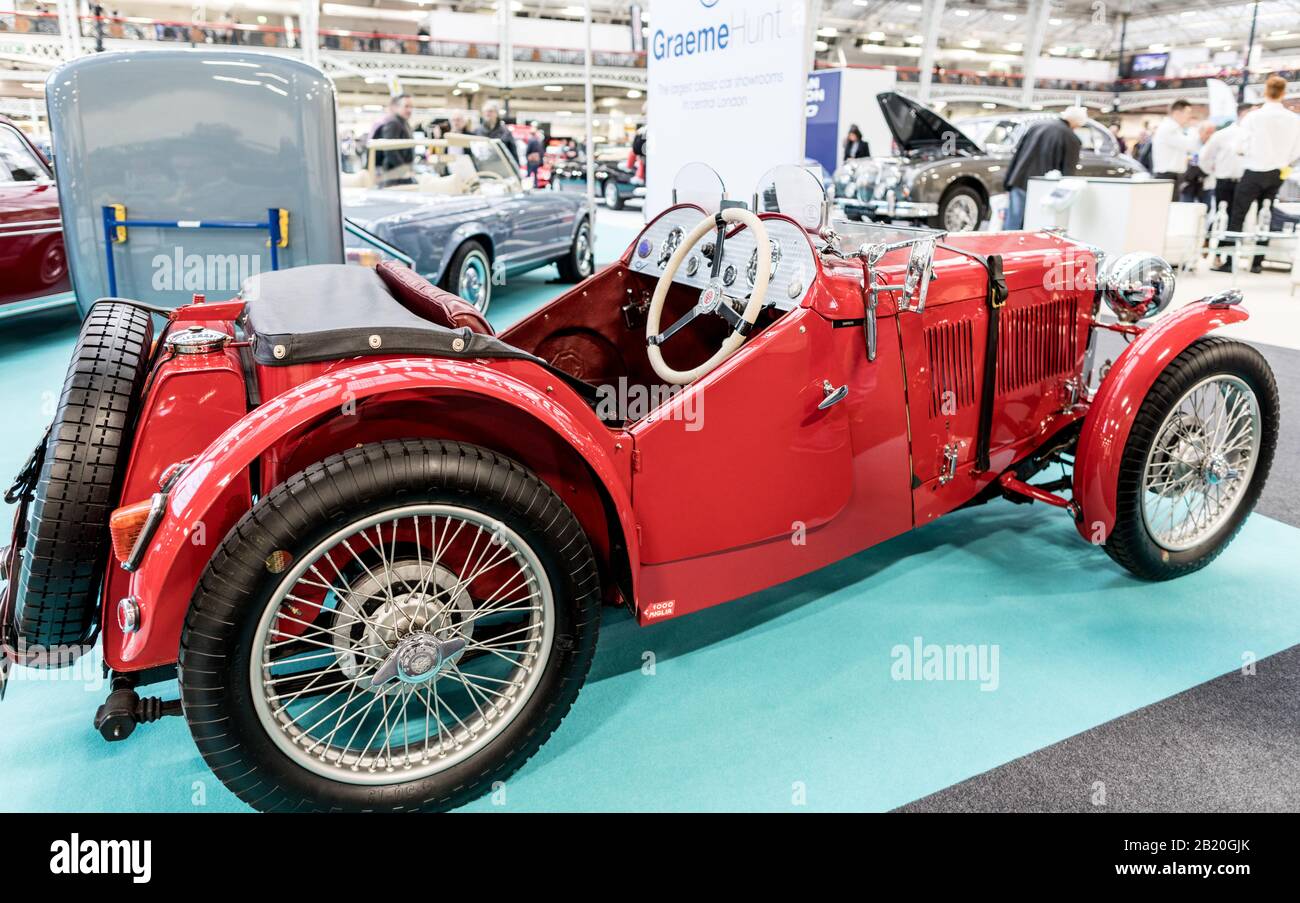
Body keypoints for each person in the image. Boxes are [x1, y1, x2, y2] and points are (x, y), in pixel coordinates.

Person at [1214, 76, 1300, 273]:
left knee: (1238, 215)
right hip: (1277, 173)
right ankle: (1257, 263)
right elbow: (1296, 150)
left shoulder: (1254, 117)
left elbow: (1239, 146)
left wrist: (1246, 153)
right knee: (1267, 216)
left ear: (1265, 91)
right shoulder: (1294, 120)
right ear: (1284, 92)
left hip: (1253, 171)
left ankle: (1229, 261)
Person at [1002, 106, 1086, 230]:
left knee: (1012, 223)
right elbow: (1068, 172)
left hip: (1019, 180)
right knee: (1035, 225)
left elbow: (1017, 155)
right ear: (1076, 123)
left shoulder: (1037, 126)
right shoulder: (1071, 138)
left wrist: (1007, 182)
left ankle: (1005, 248)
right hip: (1043, 188)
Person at [1200, 102, 1252, 249]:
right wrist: (1212, 171)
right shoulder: (1222, 135)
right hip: (1224, 181)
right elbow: (1204, 156)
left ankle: (1224, 253)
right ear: (1242, 114)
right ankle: (1207, 242)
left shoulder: (1253, 136)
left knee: (1236, 218)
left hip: (1243, 182)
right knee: (1220, 215)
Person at [1151, 99, 1198, 198]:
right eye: (1187, 112)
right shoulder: (1168, 128)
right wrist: (1193, 129)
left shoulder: (1174, 128)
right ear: (1176, 113)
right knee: (1168, 209)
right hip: (1167, 176)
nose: (1189, 116)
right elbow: (1189, 145)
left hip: (1171, 176)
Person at [370, 93, 415, 186]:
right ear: (397, 107)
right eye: (406, 106)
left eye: (411, 106)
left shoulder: (403, 123)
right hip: (394, 174)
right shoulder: (393, 123)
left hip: (399, 174)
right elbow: (390, 150)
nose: (410, 110)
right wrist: (404, 170)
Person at [475, 100, 518, 165]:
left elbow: (513, 154)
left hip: (501, 168)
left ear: (497, 113)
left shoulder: (505, 132)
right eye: (485, 111)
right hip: (483, 168)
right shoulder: (477, 132)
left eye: (490, 111)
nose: (487, 114)